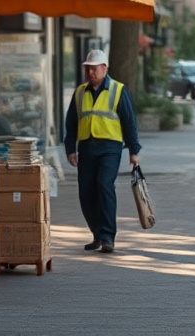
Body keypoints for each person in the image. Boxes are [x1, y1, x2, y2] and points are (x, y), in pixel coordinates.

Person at [64, 49, 141, 253]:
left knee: (104, 185)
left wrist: (134, 150)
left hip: (110, 147)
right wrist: (70, 148)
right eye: (88, 68)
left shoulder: (118, 90)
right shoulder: (80, 92)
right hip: (87, 147)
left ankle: (108, 237)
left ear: (105, 68)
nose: (91, 72)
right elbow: (71, 122)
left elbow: (129, 121)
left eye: (94, 68)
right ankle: (97, 234)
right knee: (86, 191)